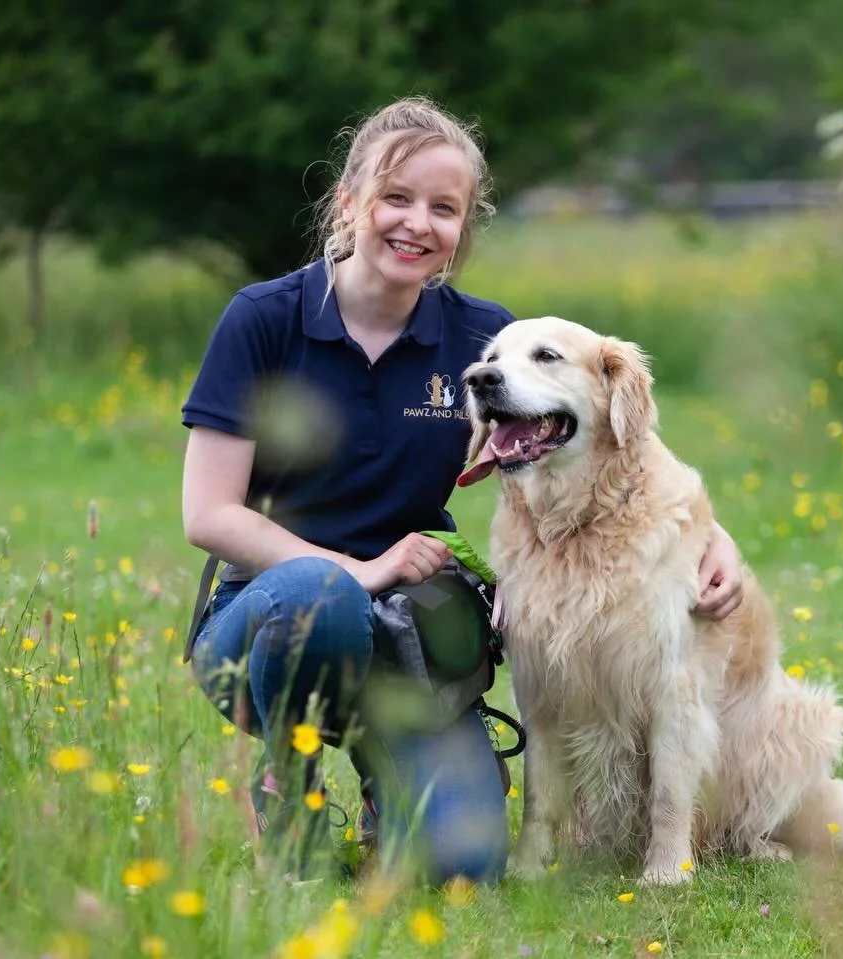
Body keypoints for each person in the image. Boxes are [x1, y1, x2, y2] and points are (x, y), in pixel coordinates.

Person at [178, 95, 747, 886]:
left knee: (464, 862)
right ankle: (289, 800)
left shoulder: (484, 340)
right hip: (273, 620)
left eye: (444, 208)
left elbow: (614, 433)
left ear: (462, 227)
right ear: (349, 202)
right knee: (321, 591)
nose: (417, 223)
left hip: (414, 631)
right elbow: (207, 514)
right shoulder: (263, 319)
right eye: (396, 198)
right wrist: (362, 569)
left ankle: (391, 788)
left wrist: (711, 536)